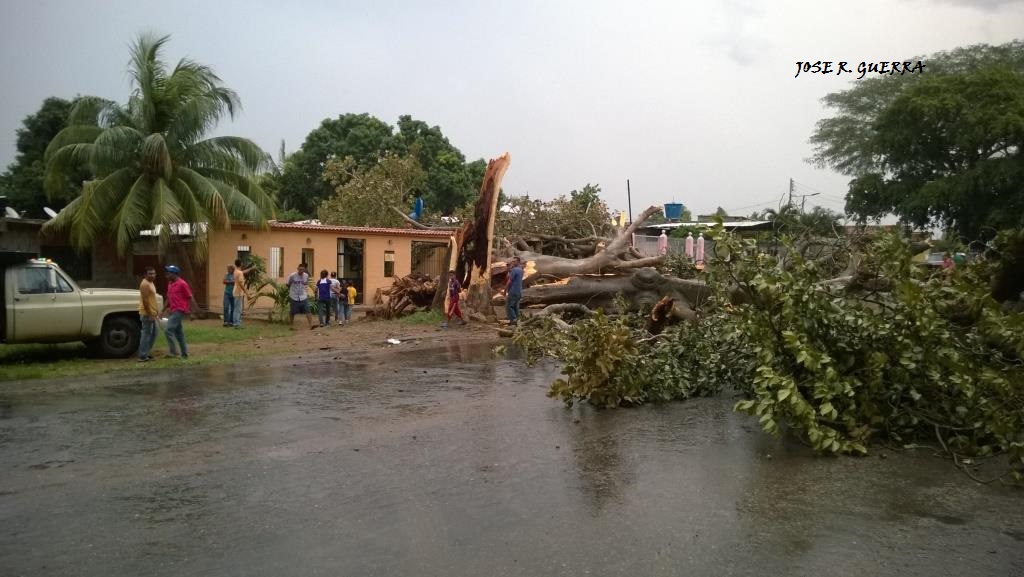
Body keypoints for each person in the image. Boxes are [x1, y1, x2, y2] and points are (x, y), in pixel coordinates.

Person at [161, 265, 196, 359]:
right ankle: (185, 354)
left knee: (168, 330)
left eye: (169, 273)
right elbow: (168, 298)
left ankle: (174, 353)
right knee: (179, 333)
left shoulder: (182, 284)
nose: (167, 275)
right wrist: (162, 310)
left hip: (180, 310)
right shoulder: (170, 283)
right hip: (173, 310)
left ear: (174, 274)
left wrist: (192, 312)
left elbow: (190, 297)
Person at [137, 266, 159, 362]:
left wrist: (155, 311)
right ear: (145, 274)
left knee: (154, 333)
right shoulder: (145, 284)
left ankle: (145, 352)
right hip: (147, 313)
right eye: (150, 273)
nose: (152, 275)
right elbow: (145, 301)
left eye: (154, 273)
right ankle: (142, 356)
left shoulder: (150, 282)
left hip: (152, 312)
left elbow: (151, 299)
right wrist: (150, 314)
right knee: (146, 334)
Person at [287, 263, 315, 330]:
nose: (301, 271)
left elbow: (306, 283)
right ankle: (291, 325)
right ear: (298, 269)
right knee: (292, 312)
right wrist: (291, 289)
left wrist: (305, 289)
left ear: (304, 269)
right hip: (294, 296)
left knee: (308, 310)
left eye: (303, 269)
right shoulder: (292, 276)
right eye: (300, 269)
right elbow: (288, 284)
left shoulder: (306, 276)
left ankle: (311, 325)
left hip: (303, 296)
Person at [231, 259, 253, 328]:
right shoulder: (239, 273)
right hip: (238, 292)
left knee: (237, 308)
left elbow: (243, 272)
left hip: (235, 292)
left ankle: (236, 322)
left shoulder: (236, 271)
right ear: (241, 264)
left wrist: (251, 269)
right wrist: (247, 293)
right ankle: (237, 324)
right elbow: (241, 284)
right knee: (238, 309)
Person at [505, 256, 523, 326]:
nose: (513, 262)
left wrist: (505, 289)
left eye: (514, 261)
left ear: (518, 262)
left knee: (509, 306)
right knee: (515, 307)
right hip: (519, 291)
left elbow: (510, 281)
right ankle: (517, 320)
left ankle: (513, 321)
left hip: (513, 291)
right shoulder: (520, 270)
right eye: (512, 261)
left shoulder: (514, 270)